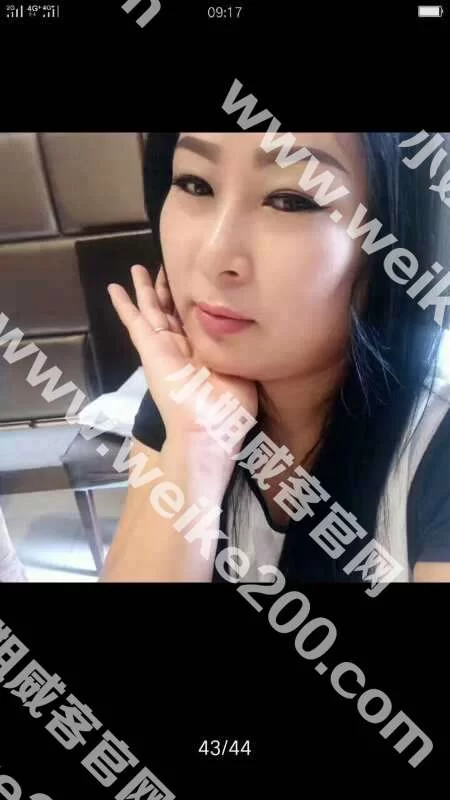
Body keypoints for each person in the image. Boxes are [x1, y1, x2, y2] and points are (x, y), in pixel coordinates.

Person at [102, 132, 450, 584]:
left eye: (290, 201)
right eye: (195, 184)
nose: (213, 254)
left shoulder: (435, 444)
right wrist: (198, 445)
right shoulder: (185, 395)